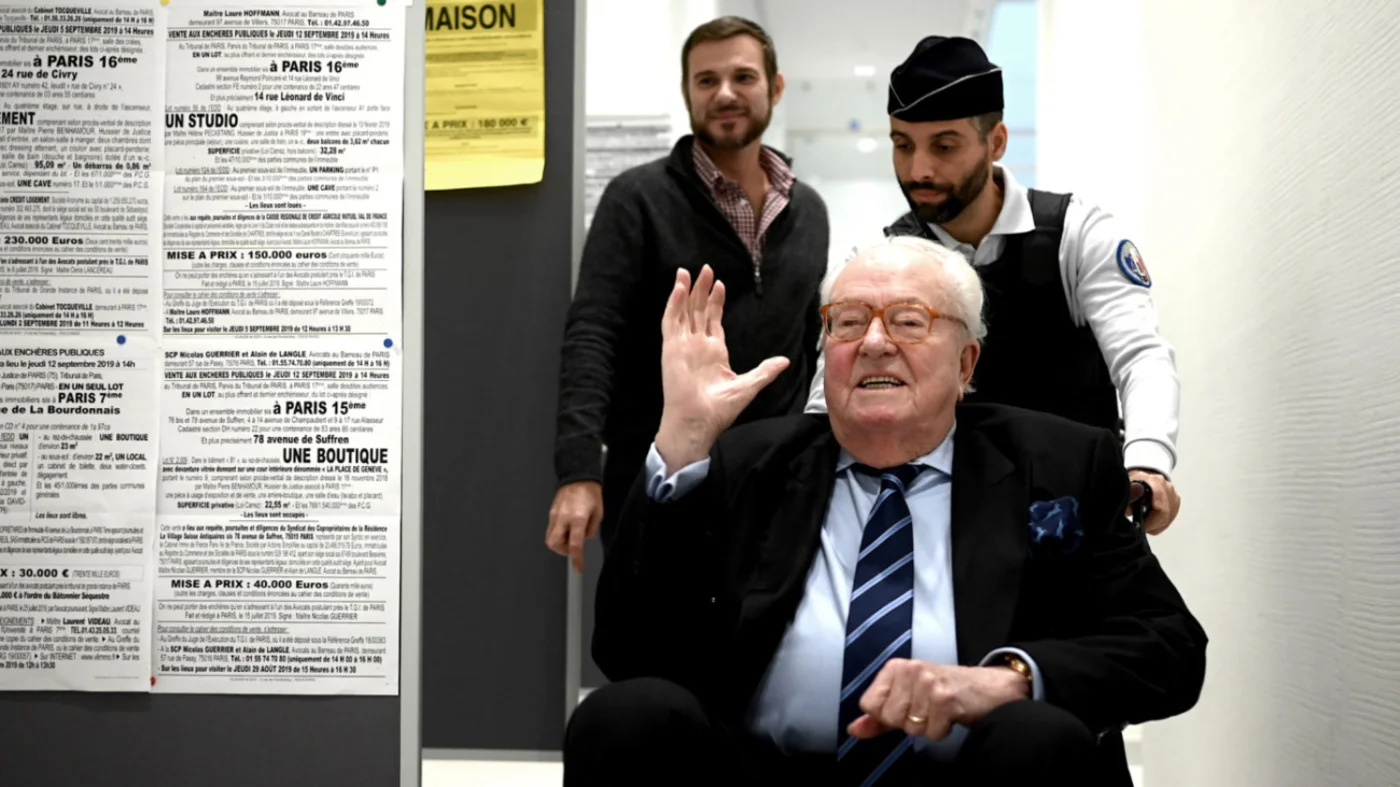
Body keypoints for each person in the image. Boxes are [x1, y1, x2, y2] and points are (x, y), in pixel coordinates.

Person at [566, 237, 1207, 786]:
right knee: (621, 717)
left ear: (966, 363)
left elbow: (1169, 649)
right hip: (771, 773)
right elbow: (629, 652)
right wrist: (681, 440)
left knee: (1038, 738)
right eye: (847, 321)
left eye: (907, 319)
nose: (873, 343)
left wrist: (1012, 679)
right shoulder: (753, 464)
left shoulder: (1061, 462)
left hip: (975, 778)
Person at [804, 35, 1183, 535]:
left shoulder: (1077, 234)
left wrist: (1149, 461)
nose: (919, 169)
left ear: (996, 141)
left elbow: (1140, 355)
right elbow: (829, 391)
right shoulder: (880, 262)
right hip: (947, 530)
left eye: (944, 146)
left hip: (1076, 516)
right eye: (903, 145)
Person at [546, 15, 829, 572]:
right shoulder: (638, 199)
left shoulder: (809, 211)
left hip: (776, 486)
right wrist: (580, 470)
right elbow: (593, 334)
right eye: (706, 81)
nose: (725, 93)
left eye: (743, 77)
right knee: (654, 654)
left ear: (774, 87)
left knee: (771, 654)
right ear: (687, 93)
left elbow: (809, 348)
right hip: (658, 484)